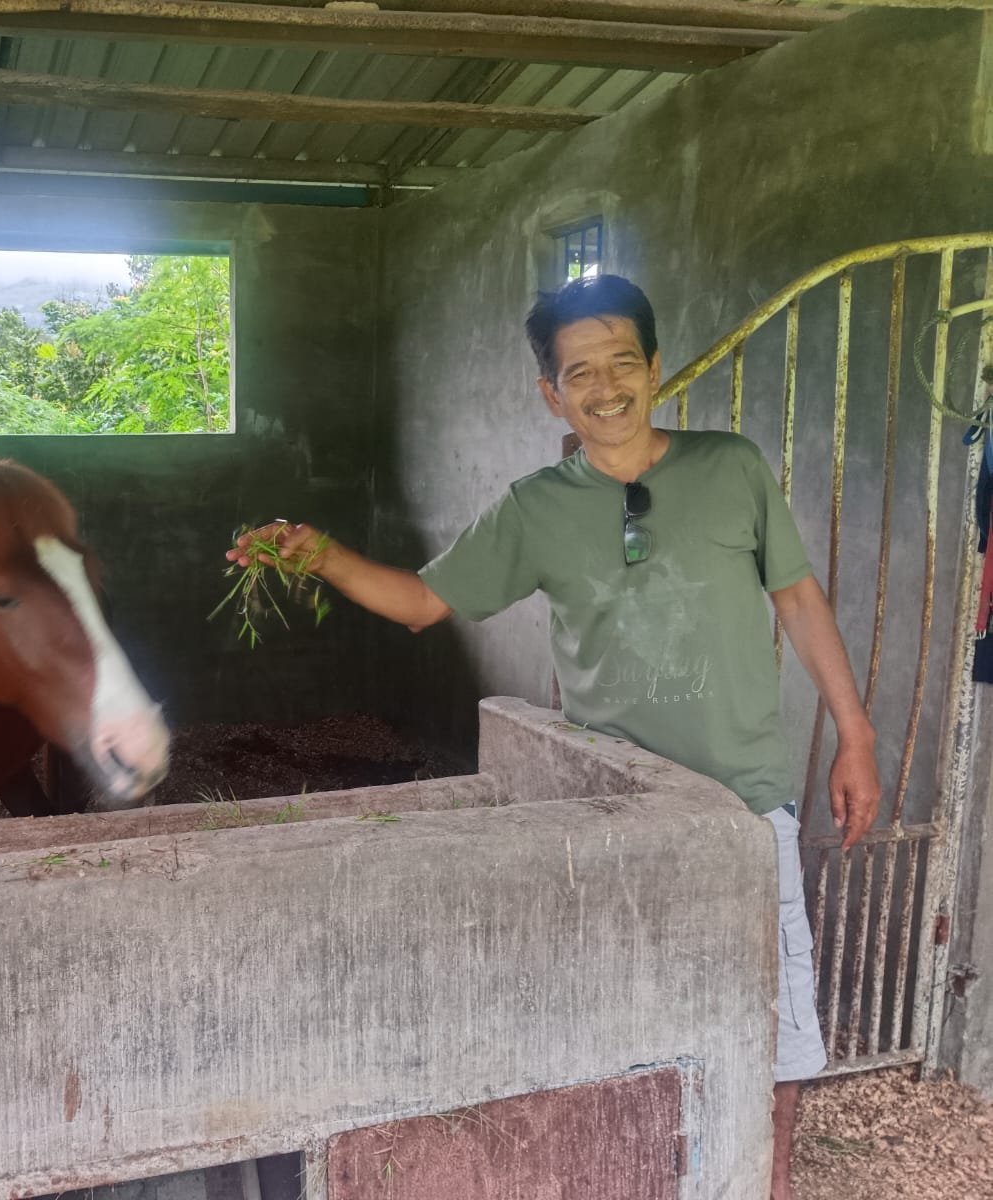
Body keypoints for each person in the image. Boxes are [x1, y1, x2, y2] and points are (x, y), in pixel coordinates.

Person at [229, 273, 881, 1200]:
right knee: (626, 1027)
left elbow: (799, 599)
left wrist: (854, 735)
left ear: (654, 367)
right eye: (580, 371)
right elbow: (420, 603)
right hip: (616, 813)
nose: (605, 386)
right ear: (551, 392)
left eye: (623, 362)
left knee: (771, 1037)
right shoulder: (535, 507)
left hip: (744, 802)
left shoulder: (730, 467)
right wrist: (318, 553)